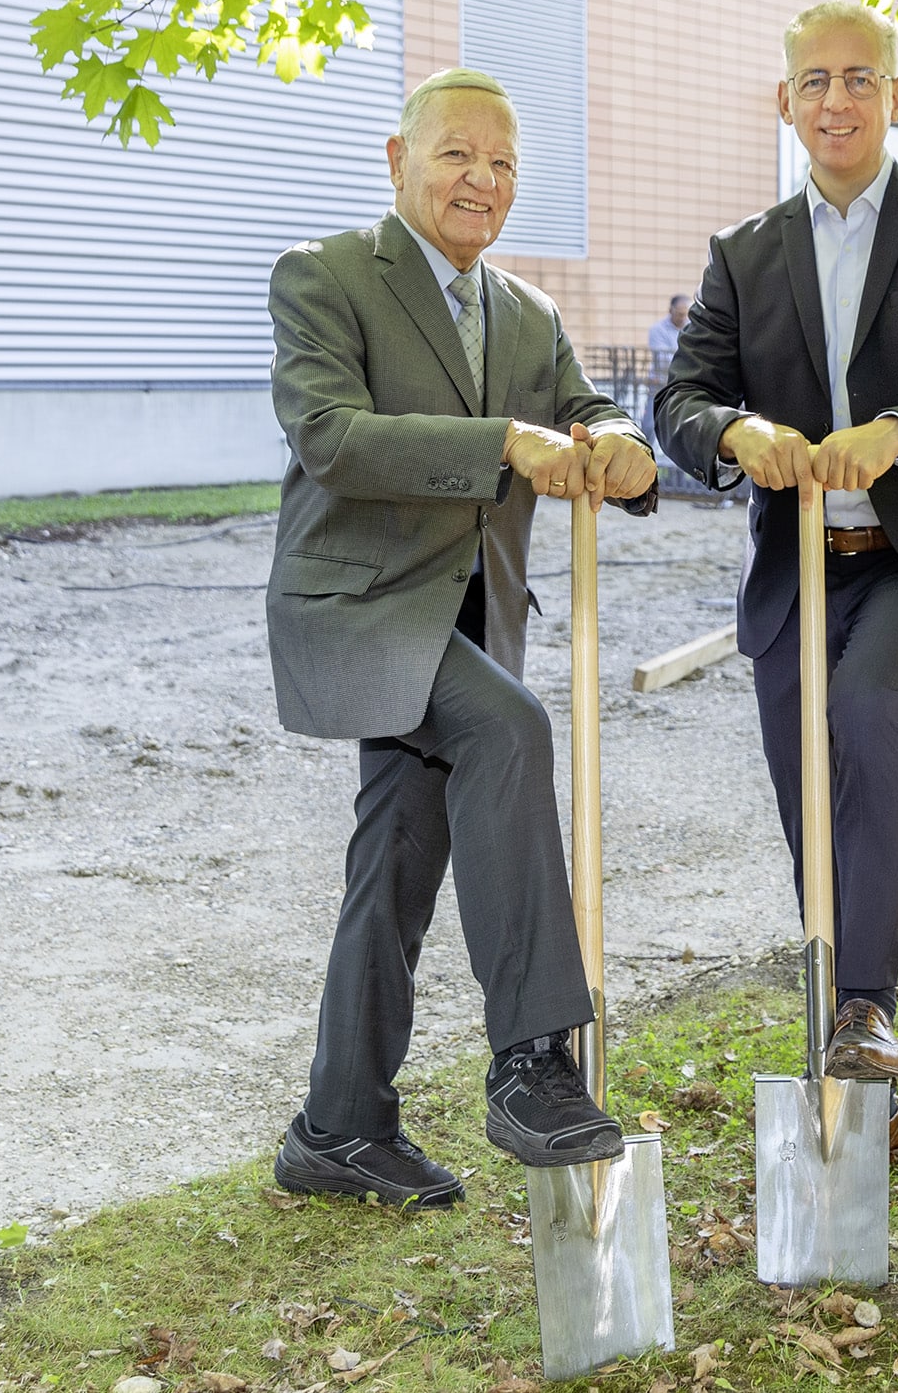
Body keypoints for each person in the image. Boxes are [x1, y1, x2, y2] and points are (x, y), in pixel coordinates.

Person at [264, 67, 660, 1209]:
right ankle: (533, 1062)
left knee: (393, 868)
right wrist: (504, 443)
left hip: (467, 618)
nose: (480, 180)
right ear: (399, 159)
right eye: (456, 155)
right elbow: (331, 435)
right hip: (355, 612)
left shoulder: (525, 312)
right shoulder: (325, 275)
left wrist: (621, 445)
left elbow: (586, 413)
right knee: (509, 728)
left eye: (501, 164)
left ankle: (337, 1129)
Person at [653, 1, 898, 1142]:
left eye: (858, 78)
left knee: (867, 709)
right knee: (805, 792)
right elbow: (677, 399)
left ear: (895, 97)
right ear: (785, 101)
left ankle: (868, 1000)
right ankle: (840, 1027)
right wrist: (730, 436)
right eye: (813, 80)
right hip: (795, 567)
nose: (836, 99)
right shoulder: (743, 252)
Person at [647, 293, 692, 381]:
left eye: (685, 314)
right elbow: (662, 360)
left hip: (685, 379)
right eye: (680, 314)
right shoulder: (657, 329)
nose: (683, 318)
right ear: (670, 310)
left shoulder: (692, 326)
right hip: (662, 380)